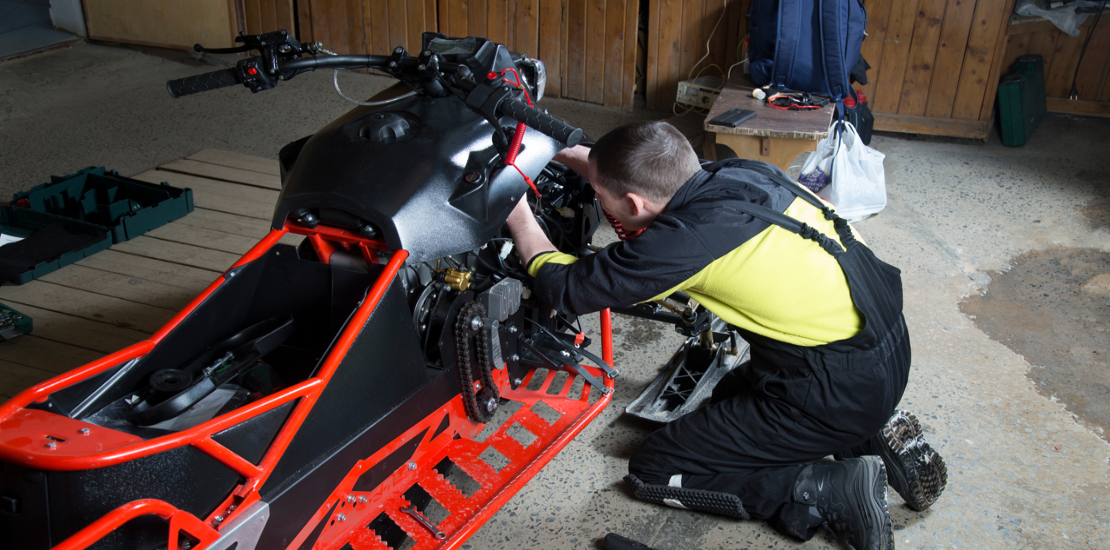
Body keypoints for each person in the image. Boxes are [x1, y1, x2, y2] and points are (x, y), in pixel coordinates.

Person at [505, 121, 947, 549]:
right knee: (728, 398)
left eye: (601, 197)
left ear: (634, 205)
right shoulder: (737, 172)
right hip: (883, 343)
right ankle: (867, 430)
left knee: (656, 467)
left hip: (836, 389)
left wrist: (511, 204)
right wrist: (547, 147)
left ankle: (822, 486)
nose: (599, 201)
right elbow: (625, 173)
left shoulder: (679, 244)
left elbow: (565, 287)